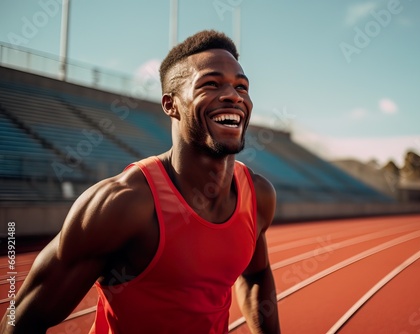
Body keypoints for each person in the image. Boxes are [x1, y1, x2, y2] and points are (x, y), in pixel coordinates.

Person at [0, 30, 281, 334]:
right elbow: (20, 319)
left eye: (242, 86)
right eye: (210, 84)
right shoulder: (122, 203)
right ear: (170, 104)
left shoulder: (258, 195)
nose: (233, 95)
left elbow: (257, 274)